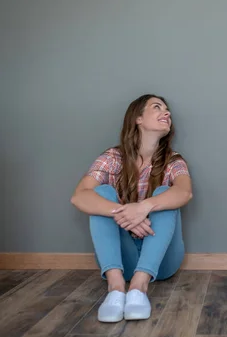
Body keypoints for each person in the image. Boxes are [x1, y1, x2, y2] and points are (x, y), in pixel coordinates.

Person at [71, 94, 192, 323]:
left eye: (168, 110)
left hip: (163, 260)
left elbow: (184, 192)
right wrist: (125, 213)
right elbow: (79, 197)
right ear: (137, 118)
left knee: (164, 193)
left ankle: (139, 287)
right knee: (101, 194)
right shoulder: (112, 158)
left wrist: (143, 207)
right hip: (119, 259)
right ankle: (115, 289)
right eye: (157, 107)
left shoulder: (173, 160)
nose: (166, 113)